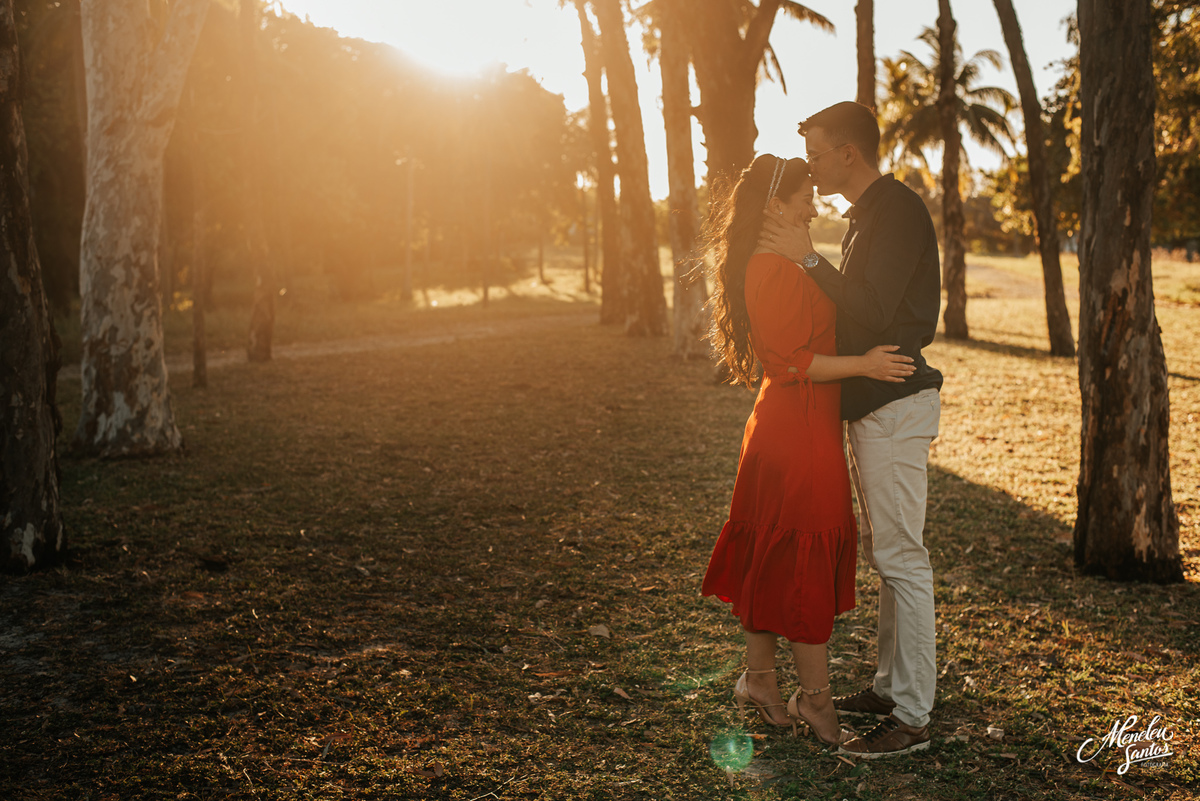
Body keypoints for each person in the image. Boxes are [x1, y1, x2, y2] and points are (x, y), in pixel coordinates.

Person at [700, 154, 915, 748]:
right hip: (794, 435)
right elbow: (791, 362)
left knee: (777, 557)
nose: (813, 205)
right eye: (803, 197)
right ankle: (816, 702)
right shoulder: (770, 268)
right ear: (774, 206)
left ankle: (761, 680)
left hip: (800, 429)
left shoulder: (789, 263)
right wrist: (867, 364)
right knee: (798, 565)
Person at [760, 101, 943, 759]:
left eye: (815, 153)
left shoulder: (895, 210)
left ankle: (913, 717)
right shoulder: (869, 216)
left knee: (901, 558)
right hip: (875, 405)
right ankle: (894, 687)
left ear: (848, 154)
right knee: (888, 553)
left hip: (895, 404)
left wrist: (808, 261)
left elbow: (871, 307)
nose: (809, 165)